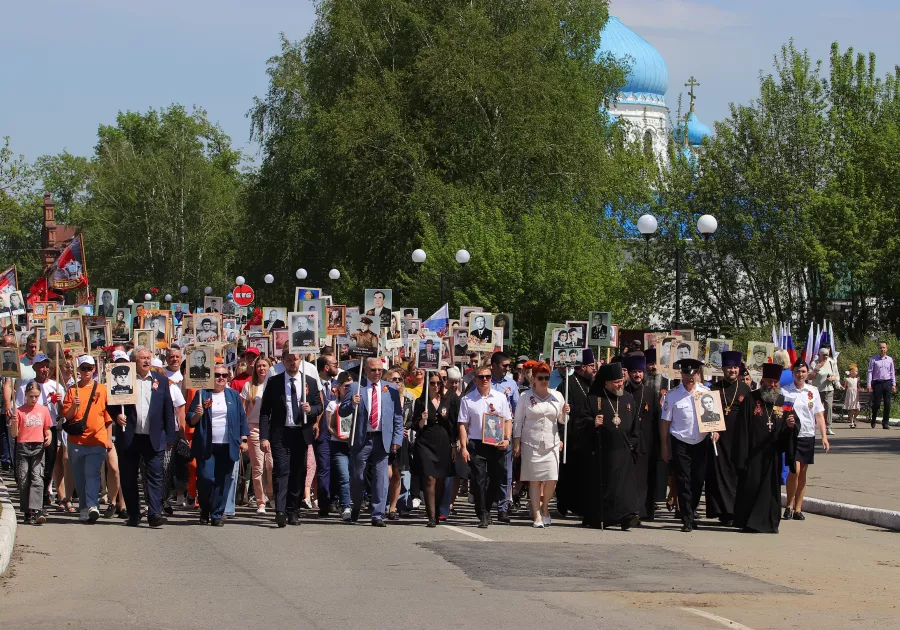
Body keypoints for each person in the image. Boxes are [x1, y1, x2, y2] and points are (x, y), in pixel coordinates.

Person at [259, 348, 323, 527]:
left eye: (295, 359)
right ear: (283, 361)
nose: (292, 363)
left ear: (300, 360)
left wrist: (311, 410)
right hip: (281, 433)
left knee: (297, 472)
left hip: (301, 433)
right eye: (288, 360)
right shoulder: (275, 382)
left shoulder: (309, 381)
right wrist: (264, 437)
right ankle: (280, 510)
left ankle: (293, 510)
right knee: (282, 471)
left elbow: (319, 405)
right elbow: (265, 412)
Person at [732, 363, 799, 533]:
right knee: (751, 486)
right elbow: (742, 429)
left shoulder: (784, 402)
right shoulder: (751, 399)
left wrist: (791, 425)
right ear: (762, 381)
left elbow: (791, 426)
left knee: (770, 490)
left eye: (775, 382)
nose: (772, 385)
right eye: (769, 381)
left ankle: (768, 523)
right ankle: (749, 522)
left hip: (772, 455)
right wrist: (742, 456)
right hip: (752, 454)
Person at [114, 348, 177, 527]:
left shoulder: (161, 380)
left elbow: (168, 410)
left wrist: (170, 437)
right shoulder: (124, 379)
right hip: (130, 437)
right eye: (142, 358)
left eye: (149, 358)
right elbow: (111, 404)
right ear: (134, 361)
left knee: (155, 476)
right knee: (129, 477)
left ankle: (154, 513)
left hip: (154, 437)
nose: (146, 361)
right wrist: (116, 416)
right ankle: (134, 514)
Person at [340, 357, 404, 526]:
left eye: (380, 370)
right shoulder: (355, 387)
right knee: (357, 476)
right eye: (373, 370)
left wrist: (397, 438)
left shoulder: (390, 389)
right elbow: (342, 412)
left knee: (381, 478)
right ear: (366, 370)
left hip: (382, 439)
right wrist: (351, 403)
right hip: (362, 439)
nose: (377, 373)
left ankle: (377, 514)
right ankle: (356, 504)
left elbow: (398, 416)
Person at [577, 362, 641, 530]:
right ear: (606, 383)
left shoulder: (628, 398)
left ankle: (627, 516)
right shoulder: (594, 399)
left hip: (624, 450)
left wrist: (632, 443)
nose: (620, 384)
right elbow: (580, 422)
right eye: (616, 382)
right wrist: (592, 422)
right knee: (608, 487)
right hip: (603, 451)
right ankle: (605, 517)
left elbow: (635, 425)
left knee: (625, 487)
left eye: (621, 381)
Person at [187, 365, 250, 526]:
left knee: (223, 480)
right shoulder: (202, 394)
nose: (221, 378)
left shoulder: (233, 395)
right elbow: (190, 419)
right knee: (206, 478)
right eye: (217, 375)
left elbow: (241, 417)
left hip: (228, 444)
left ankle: (217, 514)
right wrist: (197, 415)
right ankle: (205, 508)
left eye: (224, 375)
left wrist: (243, 439)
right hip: (206, 444)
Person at [661, 358, 719, 532]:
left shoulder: (706, 393)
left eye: (692, 375)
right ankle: (686, 517)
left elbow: (714, 418)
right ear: (681, 374)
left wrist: (716, 431)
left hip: (701, 442)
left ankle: (691, 510)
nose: (689, 378)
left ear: (698, 375)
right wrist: (665, 446)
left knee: (698, 480)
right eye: (686, 375)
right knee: (683, 480)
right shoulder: (672, 395)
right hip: (680, 441)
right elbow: (665, 422)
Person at [513, 362, 569, 528]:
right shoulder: (525, 396)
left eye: (546, 378)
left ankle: (545, 507)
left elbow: (563, 421)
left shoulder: (557, 395)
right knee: (535, 480)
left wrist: (565, 413)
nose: (544, 381)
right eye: (541, 378)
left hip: (551, 443)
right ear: (534, 379)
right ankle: (537, 513)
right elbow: (518, 421)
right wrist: (516, 441)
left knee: (552, 479)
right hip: (531, 442)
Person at [61, 355, 115, 523]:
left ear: (94, 369)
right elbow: (67, 416)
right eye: (83, 368)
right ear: (78, 370)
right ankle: (84, 507)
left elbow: (108, 416)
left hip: (97, 439)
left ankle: (92, 506)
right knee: (79, 477)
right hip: (76, 441)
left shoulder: (102, 389)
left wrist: (108, 439)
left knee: (92, 474)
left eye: (89, 368)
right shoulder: (72, 390)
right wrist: (74, 406)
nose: (86, 371)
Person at [458, 363, 511, 529]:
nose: (485, 379)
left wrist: (507, 439)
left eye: (488, 376)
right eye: (481, 377)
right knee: (478, 480)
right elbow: (462, 424)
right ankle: (482, 513)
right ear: (475, 379)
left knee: (496, 478)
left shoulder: (500, 397)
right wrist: (464, 447)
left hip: (496, 443)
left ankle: (487, 508)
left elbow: (508, 420)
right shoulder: (467, 399)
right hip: (476, 443)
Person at [705, 351, 750, 527]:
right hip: (719, 438)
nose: (732, 370)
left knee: (735, 475)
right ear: (723, 369)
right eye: (729, 367)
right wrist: (712, 429)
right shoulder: (714, 388)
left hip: (738, 438)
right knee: (718, 474)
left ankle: (735, 510)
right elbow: (707, 413)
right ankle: (723, 511)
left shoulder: (745, 389)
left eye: (735, 367)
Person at [782, 359, 829, 521]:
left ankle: (798, 508)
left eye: (803, 372)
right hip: (792, 435)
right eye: (797, 371)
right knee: (794, 470)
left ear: (807, 373)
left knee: (802, 472)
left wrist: (824, 437)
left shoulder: (813, 391)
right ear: (792, 373)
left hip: (808, 435)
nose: (800, 374)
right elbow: (780, 414)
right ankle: (789, 505)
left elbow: (819, 415)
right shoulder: (786, 391)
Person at [15, 353, 64, 511]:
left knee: (47, 467)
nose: (45, 369)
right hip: (29, 432)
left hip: (49, 430)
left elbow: (63, 413)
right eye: (41, 366)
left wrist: (59, 402)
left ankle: (42, 497)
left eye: (47, 366)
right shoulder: (26, 387)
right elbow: (19, 409)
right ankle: (31, 503)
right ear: (34, 367)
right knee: (28, 471)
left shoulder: (56, 387)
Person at [555, 349, 596, 518]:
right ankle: (564, 502)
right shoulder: (567, 384)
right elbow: (561, 411)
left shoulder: (593, 384)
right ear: (583, 366)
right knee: (568, 471)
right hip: (571, 435)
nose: (594, 368)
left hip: (588, 435)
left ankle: (581, 504)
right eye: (592, 365)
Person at [413, 372, 457, 527]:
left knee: (440, 479)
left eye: (439, 383)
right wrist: (422, 420)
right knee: (429, 478)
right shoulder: (421, 402)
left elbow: (453, 423)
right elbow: (415, 425)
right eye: (432, 383)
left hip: (443, 443)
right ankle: (431, 515)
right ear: (428, 384)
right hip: (425, 443)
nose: (436, 386)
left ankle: (438, 510)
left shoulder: (448, 399)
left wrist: (454, 444)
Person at [624, 353, 662, 522]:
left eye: (640, 372)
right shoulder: (624, 392)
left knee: (645, 477)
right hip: (628, 441)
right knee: (630, 477)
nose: (637, 375)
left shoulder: (650, 392)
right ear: (629, 373)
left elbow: (657, 418)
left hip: (647, 441)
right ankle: (631, 511)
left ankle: (645, 511)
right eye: (634, 372)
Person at [14, 381, 53, 525]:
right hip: (23, 446)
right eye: (31, 396)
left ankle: (36, 510)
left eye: (36, 396)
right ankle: (27, 511)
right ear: (26, 395)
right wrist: (14, 422)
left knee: (37, 477)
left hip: (38, 446)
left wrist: (49, 436)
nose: (34, 399)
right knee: (24, 479)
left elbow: (47, 428)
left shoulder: (43, 410)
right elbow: (14, 434)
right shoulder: (19, 411)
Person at [241, 357, 274, 514]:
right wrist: (243, 434)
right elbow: (242, 410)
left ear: (269, 367)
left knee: (271, 465)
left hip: (272, 428)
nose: (261, 368)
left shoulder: (274, 385)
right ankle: (261, 501)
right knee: (258, 467)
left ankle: (272, 495)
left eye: (264, 366)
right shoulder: (249, 386)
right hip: (254, 428)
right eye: (259, 366)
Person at [386, 367, 416, 520]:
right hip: (385, 438)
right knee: (387, 474)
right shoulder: (383, 397)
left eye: (400, 379)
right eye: (394, 379)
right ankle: (383, 503)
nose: (397, 382)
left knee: (398, 474)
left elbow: (410, 419)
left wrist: (405, 427)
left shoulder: (408, 399)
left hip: (401, 440)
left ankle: (394, 507)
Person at [327, 371, 355, 520]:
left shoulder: (357, 403)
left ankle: (357, 502)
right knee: (344, 476)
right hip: (339, 445)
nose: (349, 389)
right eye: (346, 386)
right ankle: (345, 506)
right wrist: (339, 435)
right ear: (339, 387)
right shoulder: (333, 404)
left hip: (355, 445)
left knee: (356, 476)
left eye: (351, 386)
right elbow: (330, 426)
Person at [808, 347, 838, 436]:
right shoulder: (814, 363)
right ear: (819, 355)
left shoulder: (831, 362)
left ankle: (828, 427)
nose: (826, 357)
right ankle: (812, 426)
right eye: (824, 355)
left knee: (829, 407)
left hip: (829, 389)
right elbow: (809, 377)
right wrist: (816, 369)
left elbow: (836, 374)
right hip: (817, 389)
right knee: (815, 408)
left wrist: (832, 378)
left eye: (827, 355)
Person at [867, 341, 895, 430]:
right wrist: (869, 384)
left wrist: (893, 384)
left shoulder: (890, 359)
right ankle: (874, 418)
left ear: (887, 349)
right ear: (879, 349)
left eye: (884, 347)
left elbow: (892, 372)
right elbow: (870, 372)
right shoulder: (873, 359)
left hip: (887, 383)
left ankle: (885, 422)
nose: (882, 349)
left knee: (887, 403)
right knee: (876, 403)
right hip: (877, 383)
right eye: (881, 348)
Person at [843, 364, 860, 428]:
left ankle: (854, 418)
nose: (857, 372)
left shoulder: (857, 379)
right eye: (856, 371)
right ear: (851, 371)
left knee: (858, 409)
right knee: (852, 409)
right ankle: (851, 422)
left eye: (857, 371)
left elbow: (858, 387)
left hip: (855, 396)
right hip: (850, 395)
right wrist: (842, 388)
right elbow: (844, 387)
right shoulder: (847, 379)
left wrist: (861, 389)